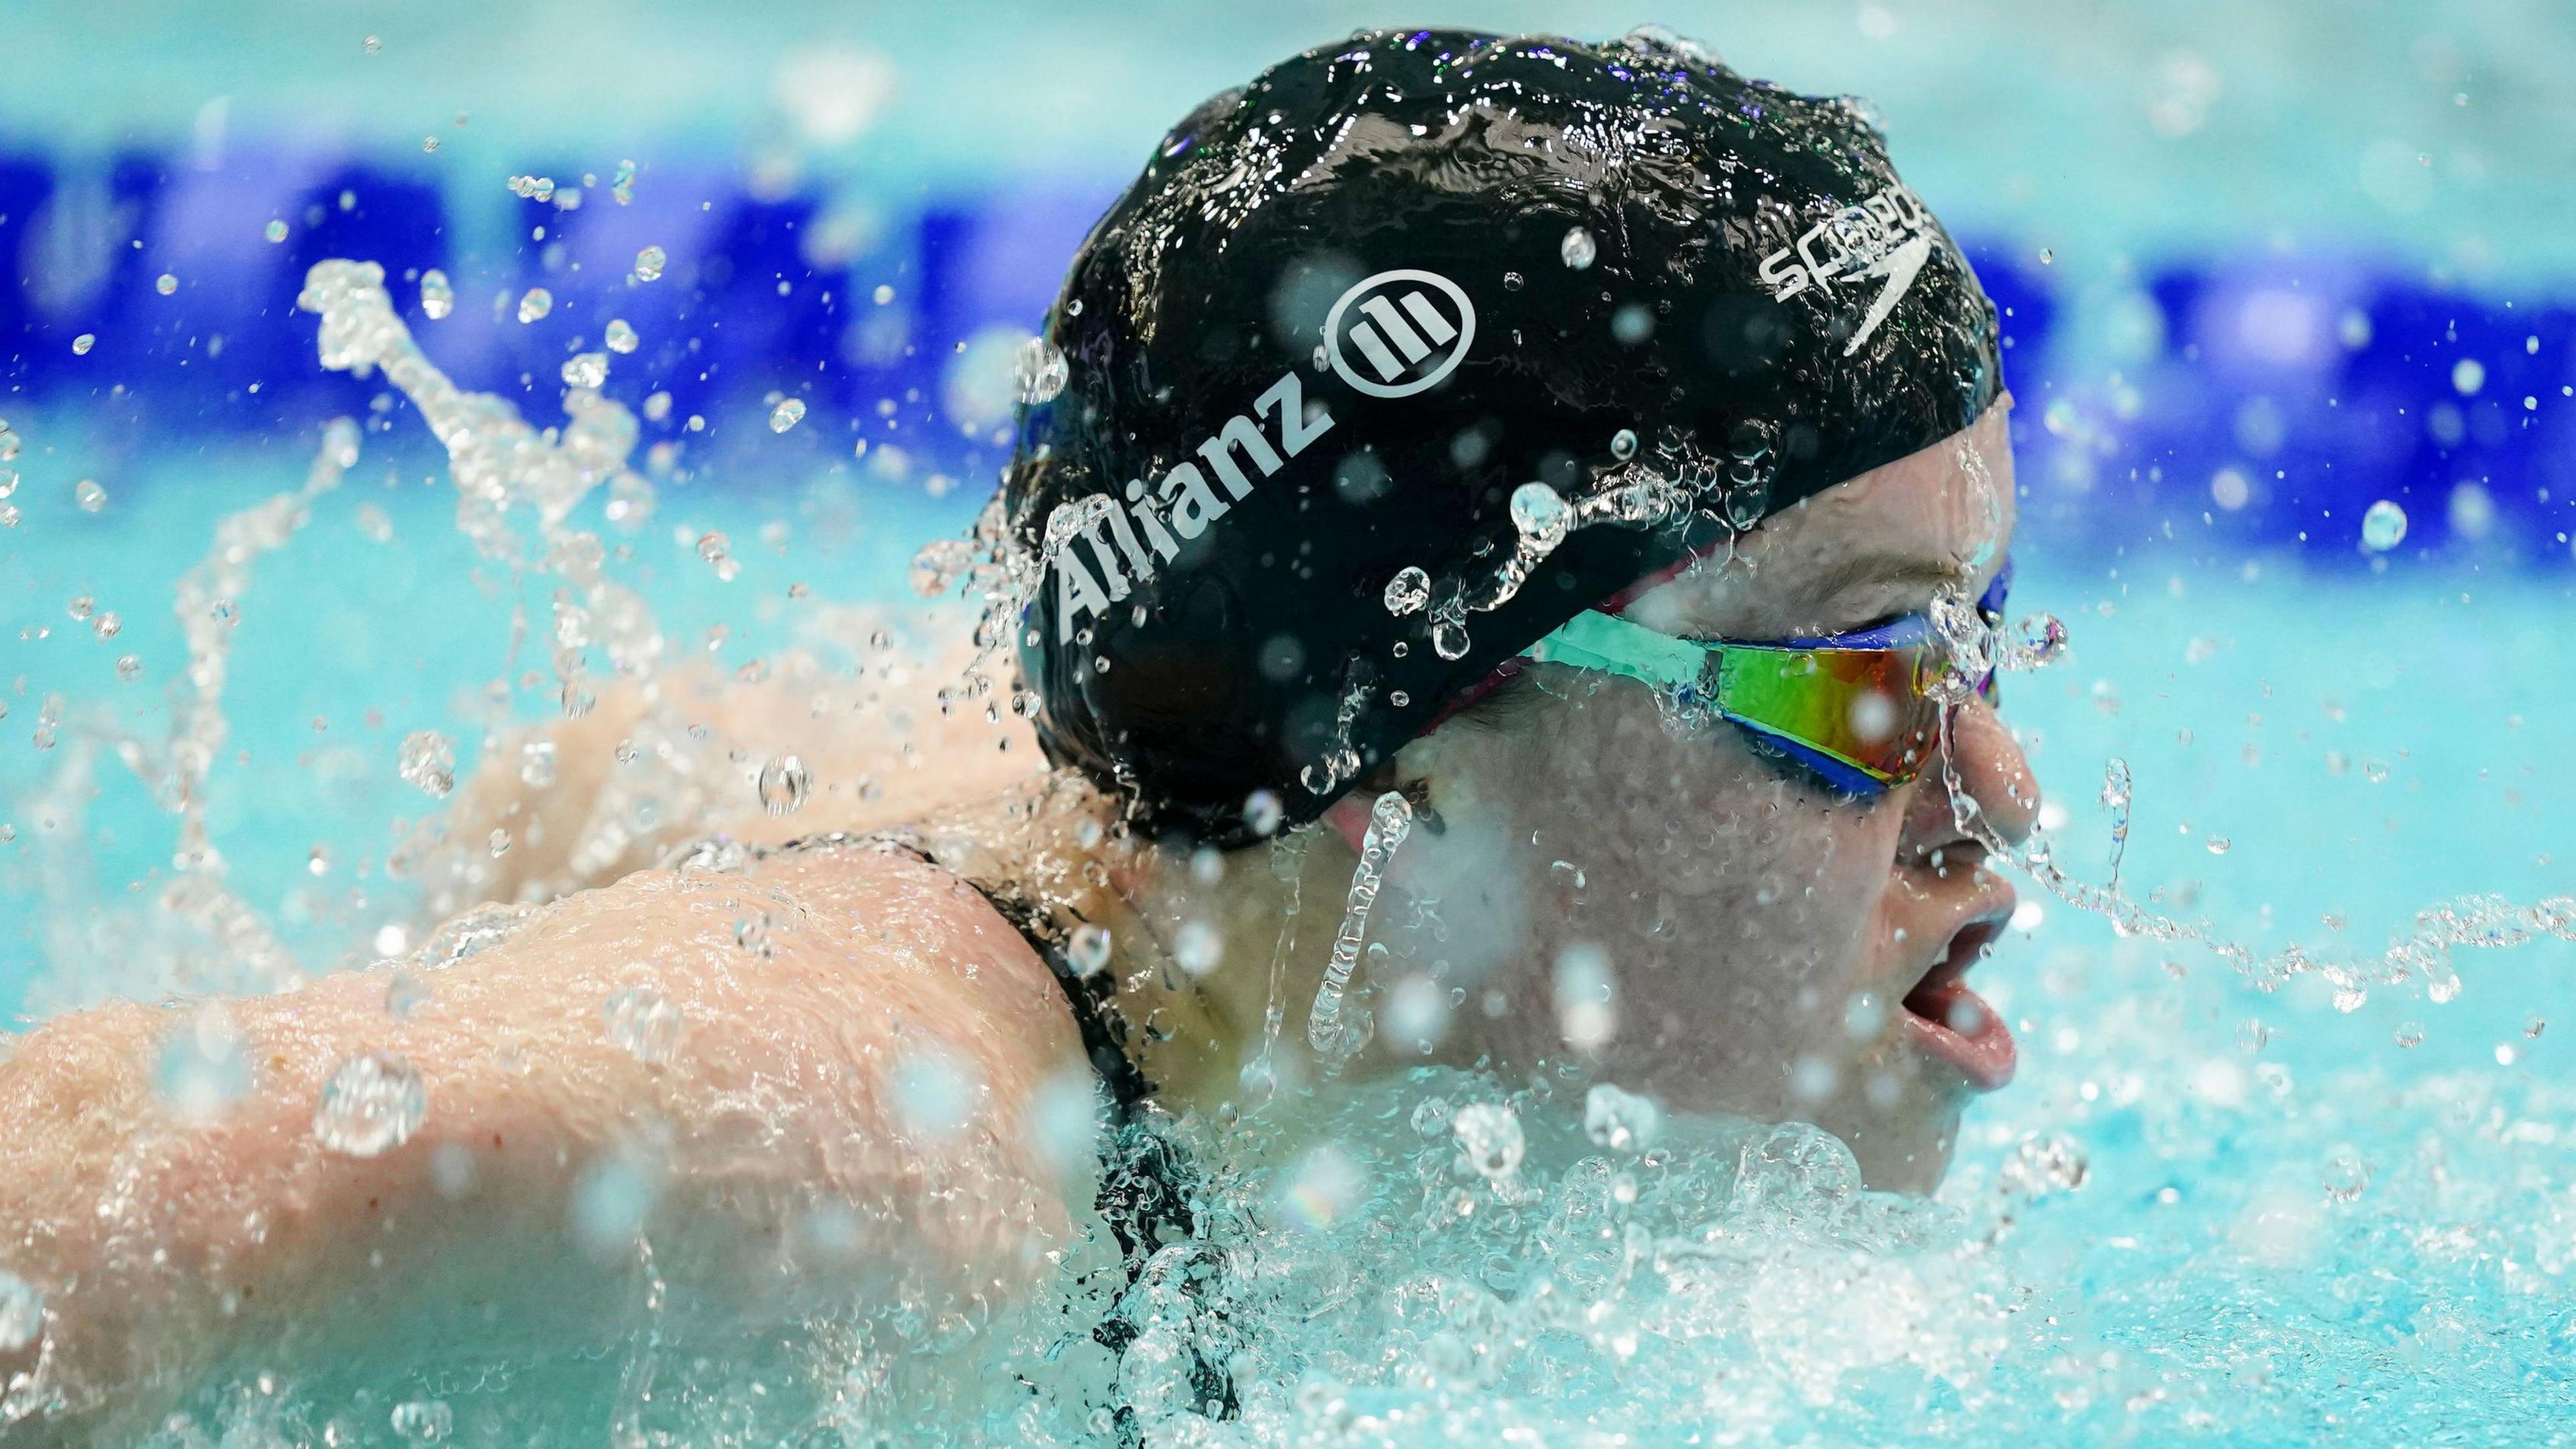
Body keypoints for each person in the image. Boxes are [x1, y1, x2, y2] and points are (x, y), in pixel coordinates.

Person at [0, 26, 2041, 1434]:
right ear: (1396, 757)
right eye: (1867, 684)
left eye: (1986, 648)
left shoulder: (1304, 982)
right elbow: (88, 1196)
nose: (1997, 800)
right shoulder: (854, 1164)